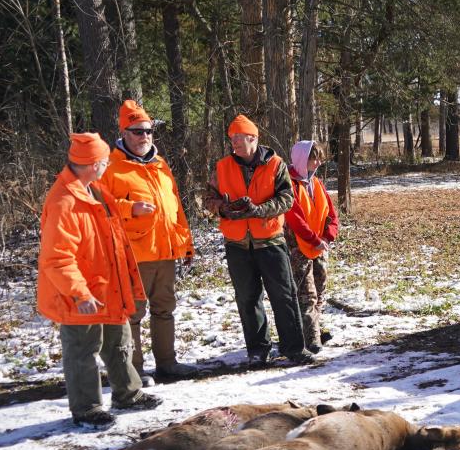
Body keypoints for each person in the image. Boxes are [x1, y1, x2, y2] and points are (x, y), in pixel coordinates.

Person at [37, 132, 163, 428]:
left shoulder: (94, 189)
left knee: (120, 343)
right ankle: (87, 409)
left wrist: (132, 208)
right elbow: (57, 258)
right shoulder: (63, 201)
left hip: (109, 287)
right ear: (94, 163)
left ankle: (128, 394)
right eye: (105, 160)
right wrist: (79, 293)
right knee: (82, 351)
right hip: (82, 294)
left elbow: (106, 215)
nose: (108, 164)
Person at [203, 114, 314, 367]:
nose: (234, 144)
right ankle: (257, 351)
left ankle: (294, 349)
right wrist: (224, 208)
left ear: (253, 138)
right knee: (247, 298)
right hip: (237, 245)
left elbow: (287, 199)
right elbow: (208, 198)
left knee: (284, 296)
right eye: (232, 139)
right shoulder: (221, 167)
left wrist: (258, 210)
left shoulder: (276, 165)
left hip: (271, 242)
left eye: (239, 138)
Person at [101, 99, 197, 382]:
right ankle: (134, 372)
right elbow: (99, 206)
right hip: (133, 254)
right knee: (133, 314)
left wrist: (186, 243)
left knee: (165, 309)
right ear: (124, 133)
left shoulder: (160, 165)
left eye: (148, 131)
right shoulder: (111, 167)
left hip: (165, 251)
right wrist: (130, 208)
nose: (144, 136)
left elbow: (176, 207)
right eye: (138, 131)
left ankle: (168, 364)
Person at [284, 141, 339, 354]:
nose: (317, 162)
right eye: (312, 158)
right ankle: (311, 338)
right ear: (300, 159)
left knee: (320, 288)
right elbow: (295, 216)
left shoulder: (316, 183)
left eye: (318, 158)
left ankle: (315, 328)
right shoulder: (288, 184)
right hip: (299, 247)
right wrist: (313, 238)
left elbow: (331, 214)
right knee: (307, 293)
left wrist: (328, 235)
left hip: (320, 246)